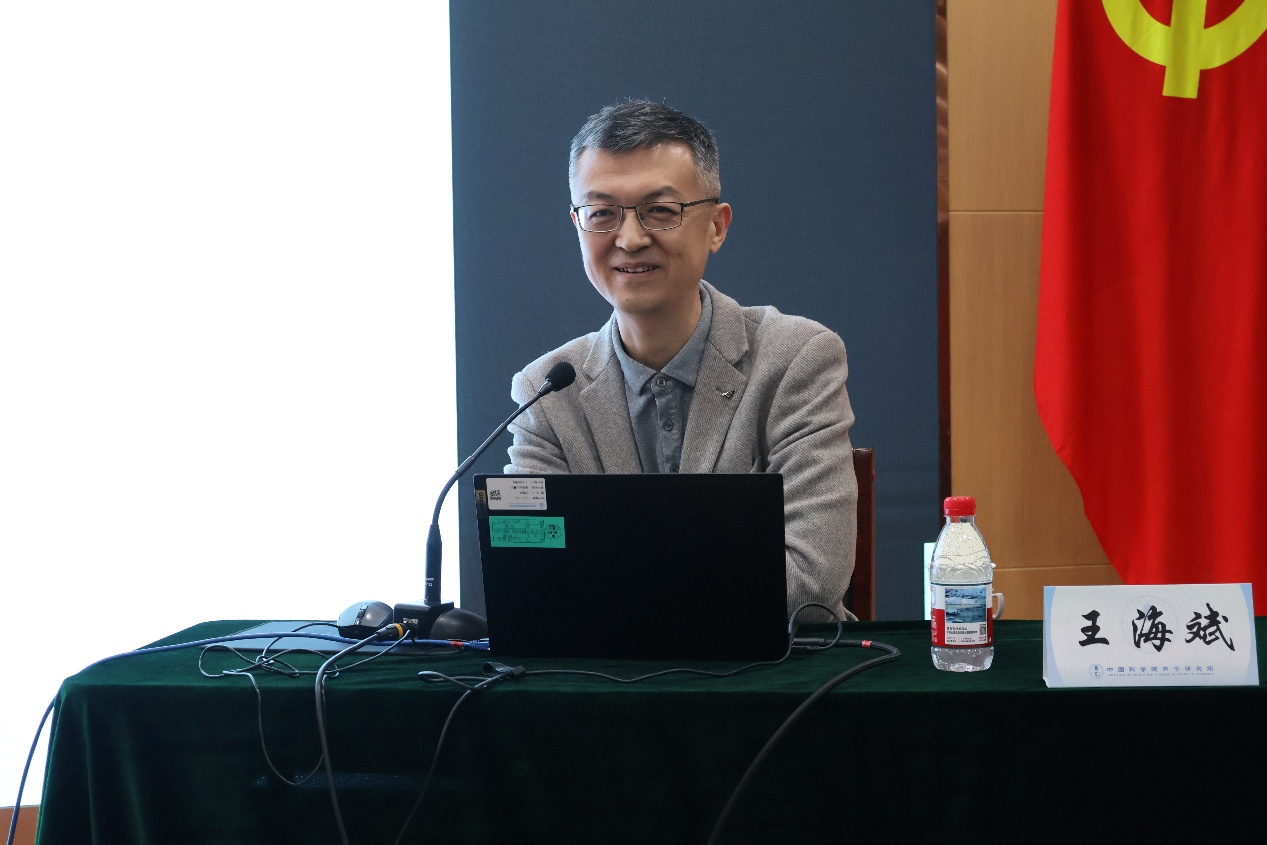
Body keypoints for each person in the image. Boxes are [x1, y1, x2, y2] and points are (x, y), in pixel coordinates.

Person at [505, 100, 857, 621]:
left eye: (661, 211)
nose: (629, 239)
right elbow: (532, 580)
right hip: (605, 669)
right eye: (601, 214)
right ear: (577, 225)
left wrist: (613, 585)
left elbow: (811, 581)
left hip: (773, 668)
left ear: (716, 226)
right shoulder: (547, 390)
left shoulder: (795, 360)